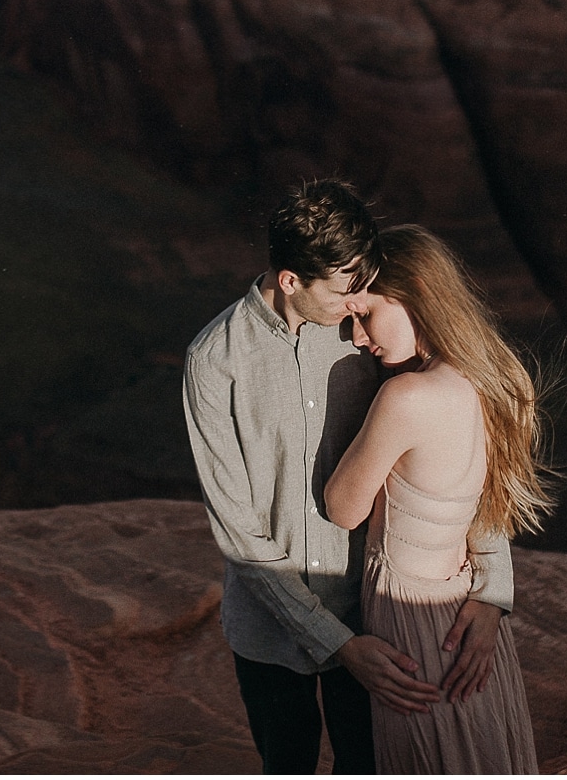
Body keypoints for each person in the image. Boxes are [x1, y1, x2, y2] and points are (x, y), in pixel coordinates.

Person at [183, 181, 516, 775]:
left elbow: (465, 444)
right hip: (270, 634)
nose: (359, 300)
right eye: (346, 289)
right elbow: (237, 529)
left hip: (376, 618)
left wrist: (494, 587)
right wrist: (333, 641)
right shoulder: (215, 362)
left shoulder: (370, 333)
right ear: (291, 280)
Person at [324, 224, 552, 773]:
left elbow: (342, 507)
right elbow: (487, 508)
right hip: (460, 608)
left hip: (411, 622)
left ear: (417, 296)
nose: (357, 337)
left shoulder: (406, 396)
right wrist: (493, 597)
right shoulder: (502, 380)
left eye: (366, 314)